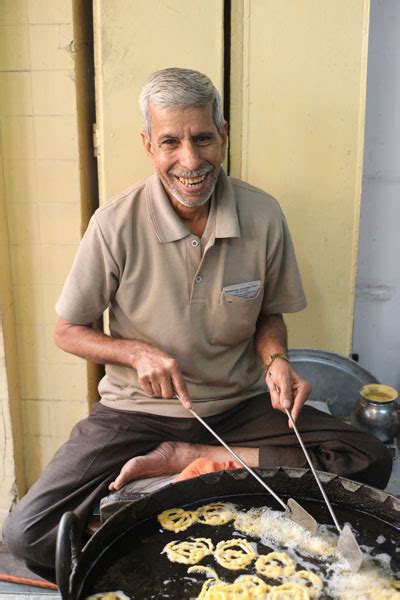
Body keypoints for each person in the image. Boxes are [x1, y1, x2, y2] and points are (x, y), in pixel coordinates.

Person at [3, 67, 392, 582]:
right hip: (135, 413)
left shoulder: (263, 216)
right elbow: (67, 329)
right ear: (149, 146)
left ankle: (188, 456)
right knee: (26, 532)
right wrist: (136, 353)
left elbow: (267, 313)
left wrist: (276, 359)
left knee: (367, 457)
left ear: (223, 136)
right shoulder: (113, 224)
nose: (190, 160)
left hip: (237, 407)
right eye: (171, 142)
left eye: (203, 138)